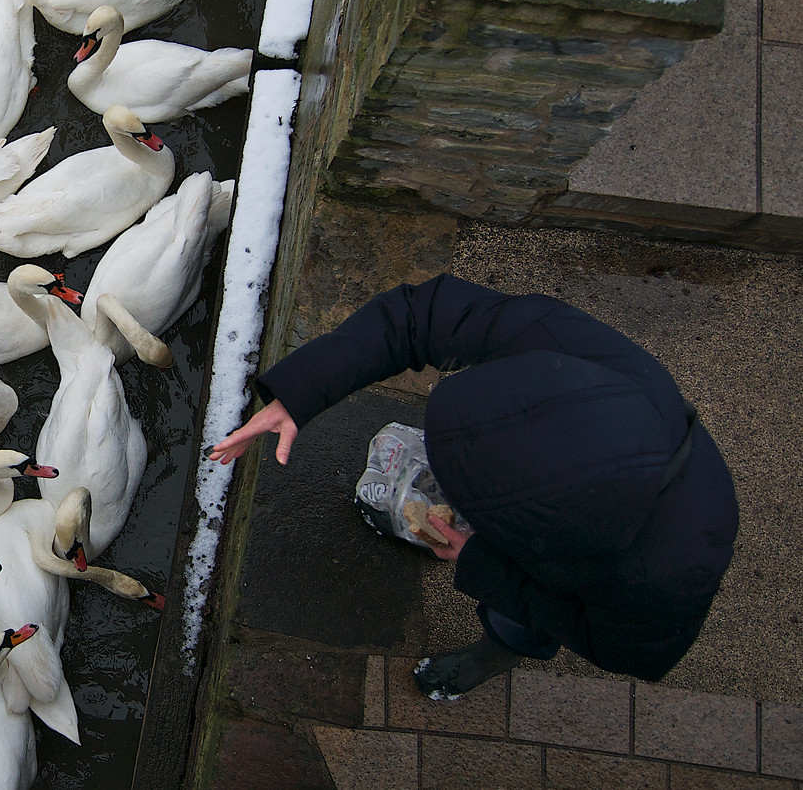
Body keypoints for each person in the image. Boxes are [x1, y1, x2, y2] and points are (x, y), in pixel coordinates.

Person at [208, 274, 739, 699]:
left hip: (585, 572)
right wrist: (301, 393)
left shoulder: (665, 578)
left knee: (521, 614)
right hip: (575, 485)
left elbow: (627, 653)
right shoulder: (580, 357)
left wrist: (481, 562)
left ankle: (498, 650)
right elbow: (424, 314)